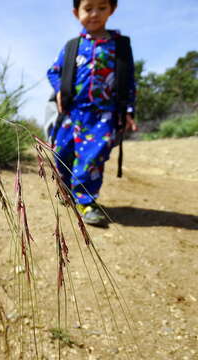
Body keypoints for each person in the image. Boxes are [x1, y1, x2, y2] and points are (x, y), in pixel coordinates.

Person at [47, 0, 137, 226]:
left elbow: (129, 82)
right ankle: (67, 190)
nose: (95, 13)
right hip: (71, 112)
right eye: (88, 8)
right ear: (76, 12)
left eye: (102, 7)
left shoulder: (120, 46)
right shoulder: (72, 46)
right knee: (62, 152)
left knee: (91, 157)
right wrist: (59, 91)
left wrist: (128, 111)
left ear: (112, 10)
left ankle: (86, 201)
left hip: (104, 115)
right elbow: (53, 72)